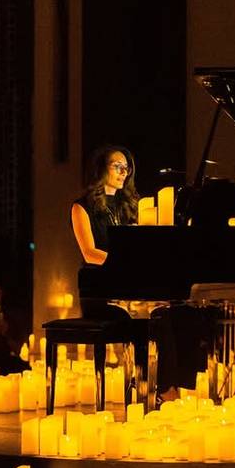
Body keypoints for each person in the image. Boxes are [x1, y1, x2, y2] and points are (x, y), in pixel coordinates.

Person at [71, 145, 178, 400]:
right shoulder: (82, 207)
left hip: (126, 285)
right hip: (99, 290)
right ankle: (146, 388)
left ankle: (161, 387)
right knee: (144, 320)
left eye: (126, 168)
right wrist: (123, 263)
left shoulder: (130, 206)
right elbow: (89, 252)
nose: (123, 172)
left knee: (162, 314)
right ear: (101, 168)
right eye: (117, 166)